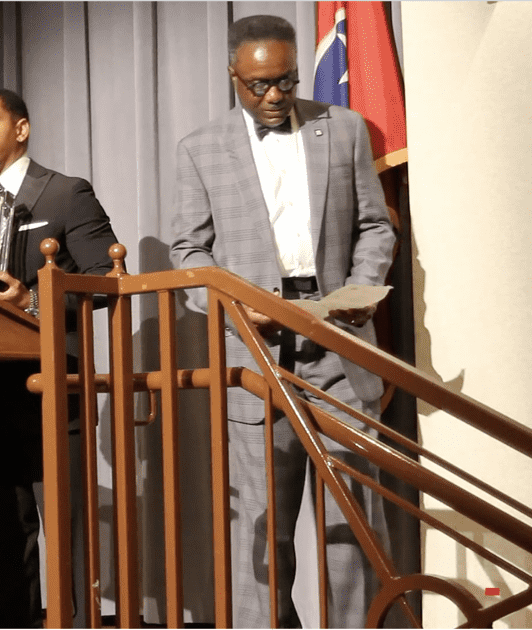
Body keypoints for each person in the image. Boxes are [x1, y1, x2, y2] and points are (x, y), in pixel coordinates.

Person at [169, 15, 396, 628]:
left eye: (286, 82)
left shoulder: (343, 129)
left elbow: (376, 224)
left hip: (340, 350)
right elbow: (188, 252)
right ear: (233, 77)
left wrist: (361, 290)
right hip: (256, 360)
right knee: (262, 536)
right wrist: (234, 306)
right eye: (259, 85)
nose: (274, 97)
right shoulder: (200, 148)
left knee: (351, 524)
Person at [0, 87, 117, 628]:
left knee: (68, 534)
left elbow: (109, 283)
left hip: (53, 387)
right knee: (2, 536)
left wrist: (30, 299)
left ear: (21, 129)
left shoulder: (65, 195)